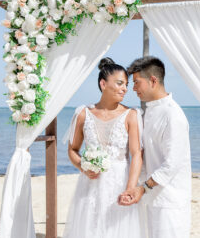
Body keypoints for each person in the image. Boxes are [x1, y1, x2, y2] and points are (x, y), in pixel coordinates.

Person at [63, 57, 144, 238]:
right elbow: (72, 150)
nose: (125, 88)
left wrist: (130, 188)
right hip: (89, 186)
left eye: (126, 84)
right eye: (120, 83)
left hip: (119, 184)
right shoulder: (83, 114)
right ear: (103, 83)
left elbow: (136, 154)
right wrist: (83, 166)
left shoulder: (131, 115)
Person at [119, 56, 192, 238]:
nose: (133, 88)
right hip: (150, 198)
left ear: (153, 80)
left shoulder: (172, 114)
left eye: (137, 82)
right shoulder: (149, 111)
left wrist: (143, 187)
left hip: (170, 201)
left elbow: (172, 164)